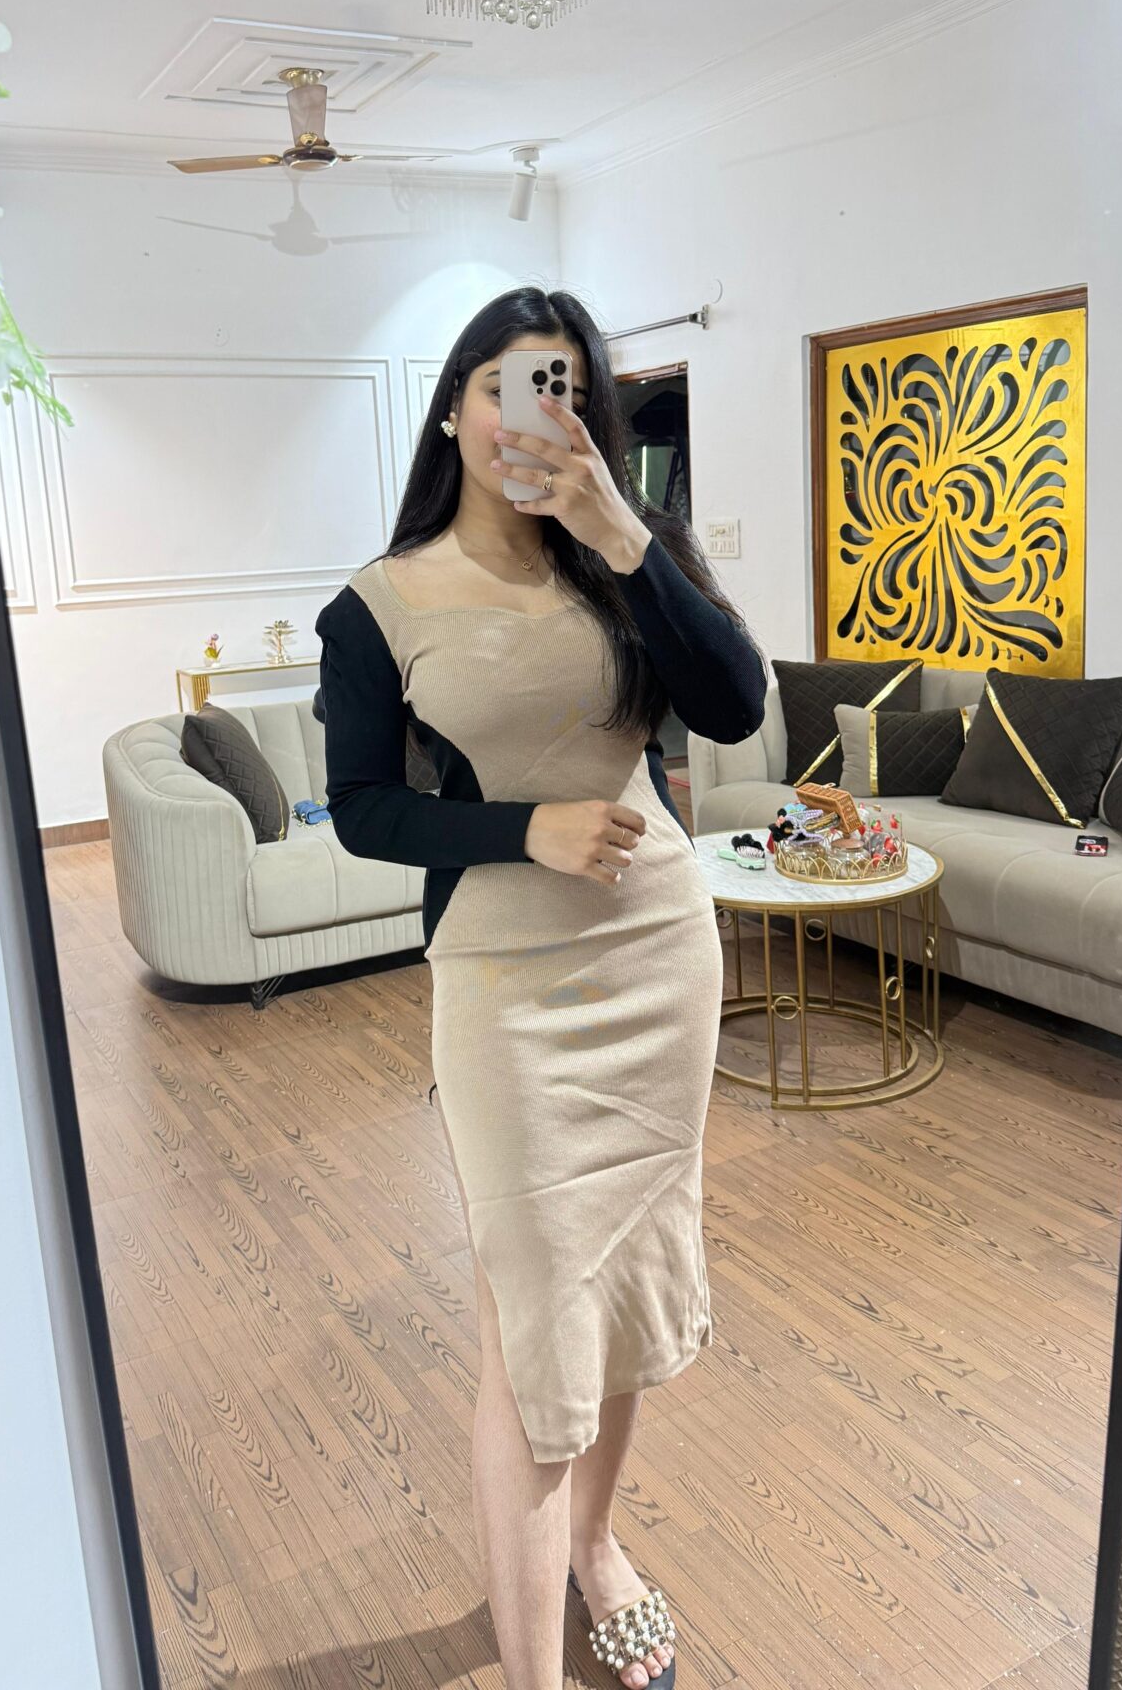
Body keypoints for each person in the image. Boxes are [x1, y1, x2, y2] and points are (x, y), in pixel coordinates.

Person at [314, 287, 767, 1690]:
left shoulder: (626, 554)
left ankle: (596, 1543)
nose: (533, 420)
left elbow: (737, 703)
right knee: (535, 1311)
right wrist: (524, 829)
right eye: (509, 389)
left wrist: (623, 534)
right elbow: (362, 811)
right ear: (457, 408)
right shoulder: (379, 605)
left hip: (656, 952)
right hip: (505, 980)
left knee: (624, 1279)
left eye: (564, 392)